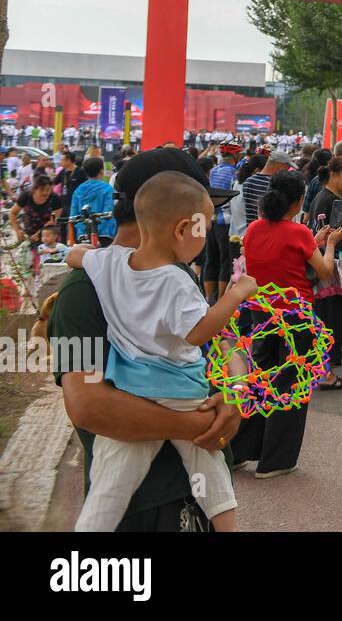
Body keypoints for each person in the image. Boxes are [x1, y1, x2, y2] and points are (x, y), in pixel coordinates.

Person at [63, 172, 255, 532]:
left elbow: (224, 346)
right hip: (181, 403)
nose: (207, 235)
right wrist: (236, 294)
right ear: (182, 229)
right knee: (211, 472)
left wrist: (237, 391)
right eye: (205, 224)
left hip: (134, 383)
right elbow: (87, 404)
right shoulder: (166, 281)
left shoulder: (108, 266)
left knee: (108, 487)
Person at [234, 170, 342, 477]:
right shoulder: (297, 232)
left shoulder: (254, 230)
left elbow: (278, 255)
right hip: (296, 315)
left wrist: (313, 240)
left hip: (261, 311)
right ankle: (276, 459)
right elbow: (324, 271)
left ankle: (240, 449)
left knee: (260, 376)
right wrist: (330, 244)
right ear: (298, 202)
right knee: (293, 381)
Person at [309, 156, 342, 389]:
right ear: (334, 175)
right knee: (332, 322)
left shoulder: (320, 197)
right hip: (333, 272)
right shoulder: (335, 202)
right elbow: (338, 239)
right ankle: (326, 375)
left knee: (324, 320)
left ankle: (323, 371)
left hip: (321, 268)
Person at [204, 144, 240, 302]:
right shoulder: (234, 173)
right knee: (225, 262)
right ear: (235, 158)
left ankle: (208, 298)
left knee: (211, 259)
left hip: (211, 220)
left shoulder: (213, 170)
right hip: (226, 222)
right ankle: (220, 299)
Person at [234, 151, 290, 237]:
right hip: (268, 236)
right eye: (287, 168)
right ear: (280, 166)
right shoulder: (275, 184)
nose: (287, 171)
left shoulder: (248, 181)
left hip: (251, 232)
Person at [70, 157, 117, 245]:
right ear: (101, 171)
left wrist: (83, 228)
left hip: (83, 235)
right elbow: (109, 212)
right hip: (105, 235)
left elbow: (73, 215)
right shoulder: (107, 189)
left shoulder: (78, 190)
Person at [10, 175, 62, 245]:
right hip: (29, 232)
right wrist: (18, 230)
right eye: (42, 190)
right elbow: (13, 213)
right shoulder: (26, 196)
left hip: (49, 235)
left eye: (48, 190)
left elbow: (53, 220)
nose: (45, 193)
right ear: (34, 189)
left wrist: (39, 233)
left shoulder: (55, 199)